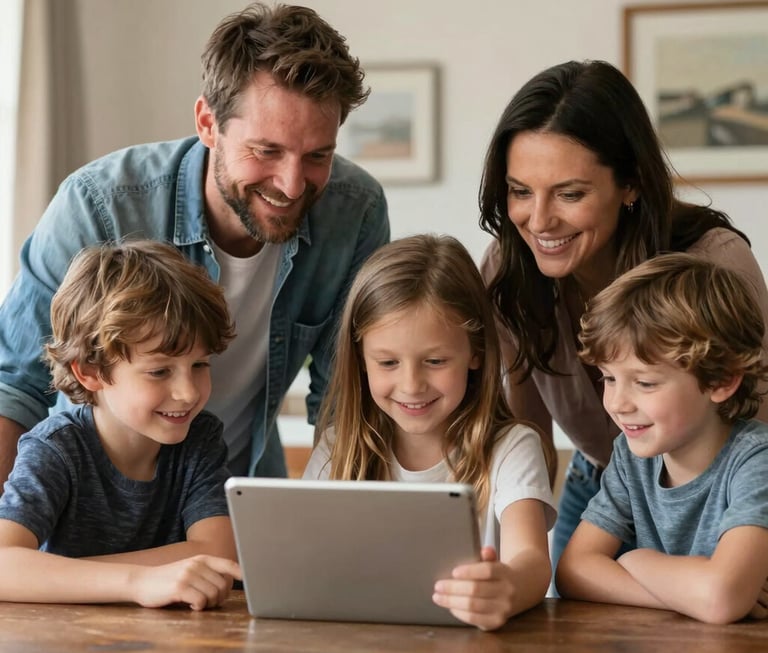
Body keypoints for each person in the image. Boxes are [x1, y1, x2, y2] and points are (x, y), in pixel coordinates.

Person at [0, 3, 390, 484]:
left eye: (317, 155)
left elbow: (345, 400)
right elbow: (14, 385)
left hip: (233, 491)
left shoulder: (356, 211)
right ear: (208, 123)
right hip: (90, 505)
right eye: (265, 151)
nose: (292, 184)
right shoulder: (99, 204)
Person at [477, 59, 768, 567]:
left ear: (629, 184)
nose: (538, 220)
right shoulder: (508, 272)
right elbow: (528, 434)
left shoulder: (713, 263)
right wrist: (511, 564)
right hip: (602, 487)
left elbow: (757, 421)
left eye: (570, 193)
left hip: (716, 496)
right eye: (521, 191)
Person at [303, 234, 557, 630]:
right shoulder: (338, 447)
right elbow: (309, 562)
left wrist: (507, 587)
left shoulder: (511, 447)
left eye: (435, 360)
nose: (411, 385)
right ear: (361, 360)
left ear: (475, 352)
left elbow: (532, 562)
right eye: (387, 362)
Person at [0, 240, 242, 609]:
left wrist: (59, 573)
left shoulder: (200, 439)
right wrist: (137, 583)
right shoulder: (55, 449)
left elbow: (219, 557)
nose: (188, 392)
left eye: (200, 365)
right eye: (160, 371)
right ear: (91, 373)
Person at [555, 253, 768, 624]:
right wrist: (687, 594)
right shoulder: (632, 456)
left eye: (645, 383)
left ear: (721, 380)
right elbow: (572, 571)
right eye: (608, 378)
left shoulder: (756, 462)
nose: (618, 403)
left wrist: (634, 560)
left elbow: (721, 598)